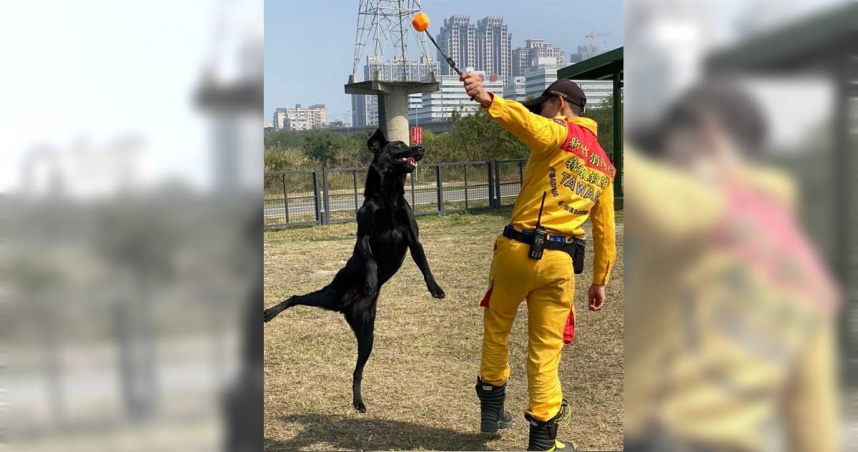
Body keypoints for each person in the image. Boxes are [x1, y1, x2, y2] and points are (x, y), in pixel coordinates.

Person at [460, 73, 617, 451]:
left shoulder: (560, 132)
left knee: (498, 327)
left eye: (544, 106)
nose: (541, 114)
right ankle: (544, 441)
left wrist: (487, 99)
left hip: (516, 252)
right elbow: (605, 229)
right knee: (546, 350)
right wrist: (600, 280)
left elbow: (532, 127)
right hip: (561, 263)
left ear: (560, 104)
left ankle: (492, 406)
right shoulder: (605, 166)